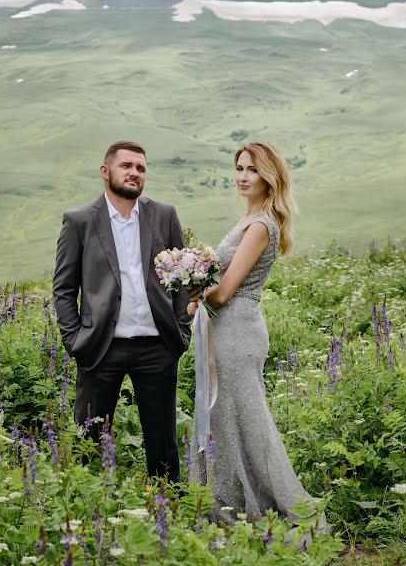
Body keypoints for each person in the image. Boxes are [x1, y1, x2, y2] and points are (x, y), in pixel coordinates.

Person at [189, 142, 324, 526]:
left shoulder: (261, 225)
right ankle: (228, 500)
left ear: (269, 177)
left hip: (238, 331)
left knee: (246, 419)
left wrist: (189, 286)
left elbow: (226, 290)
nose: (243, 176)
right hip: (225, 327)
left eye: (252, 170)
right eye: (239, 168)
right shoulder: (247, 221)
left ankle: (278, 505)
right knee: (224, 418)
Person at [52, 140, 191, 482]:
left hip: (157, 347)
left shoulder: (164, 215)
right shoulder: (79, 221)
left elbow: (182, 278)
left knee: (163, 445)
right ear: (106, 171)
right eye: (126, 165)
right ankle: (88, 514)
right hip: (100, 348)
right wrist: (74, 341)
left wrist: (181, 331)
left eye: (141, 168)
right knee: (89, 442)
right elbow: (64, 289)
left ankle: (167, 511)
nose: (134, 173)